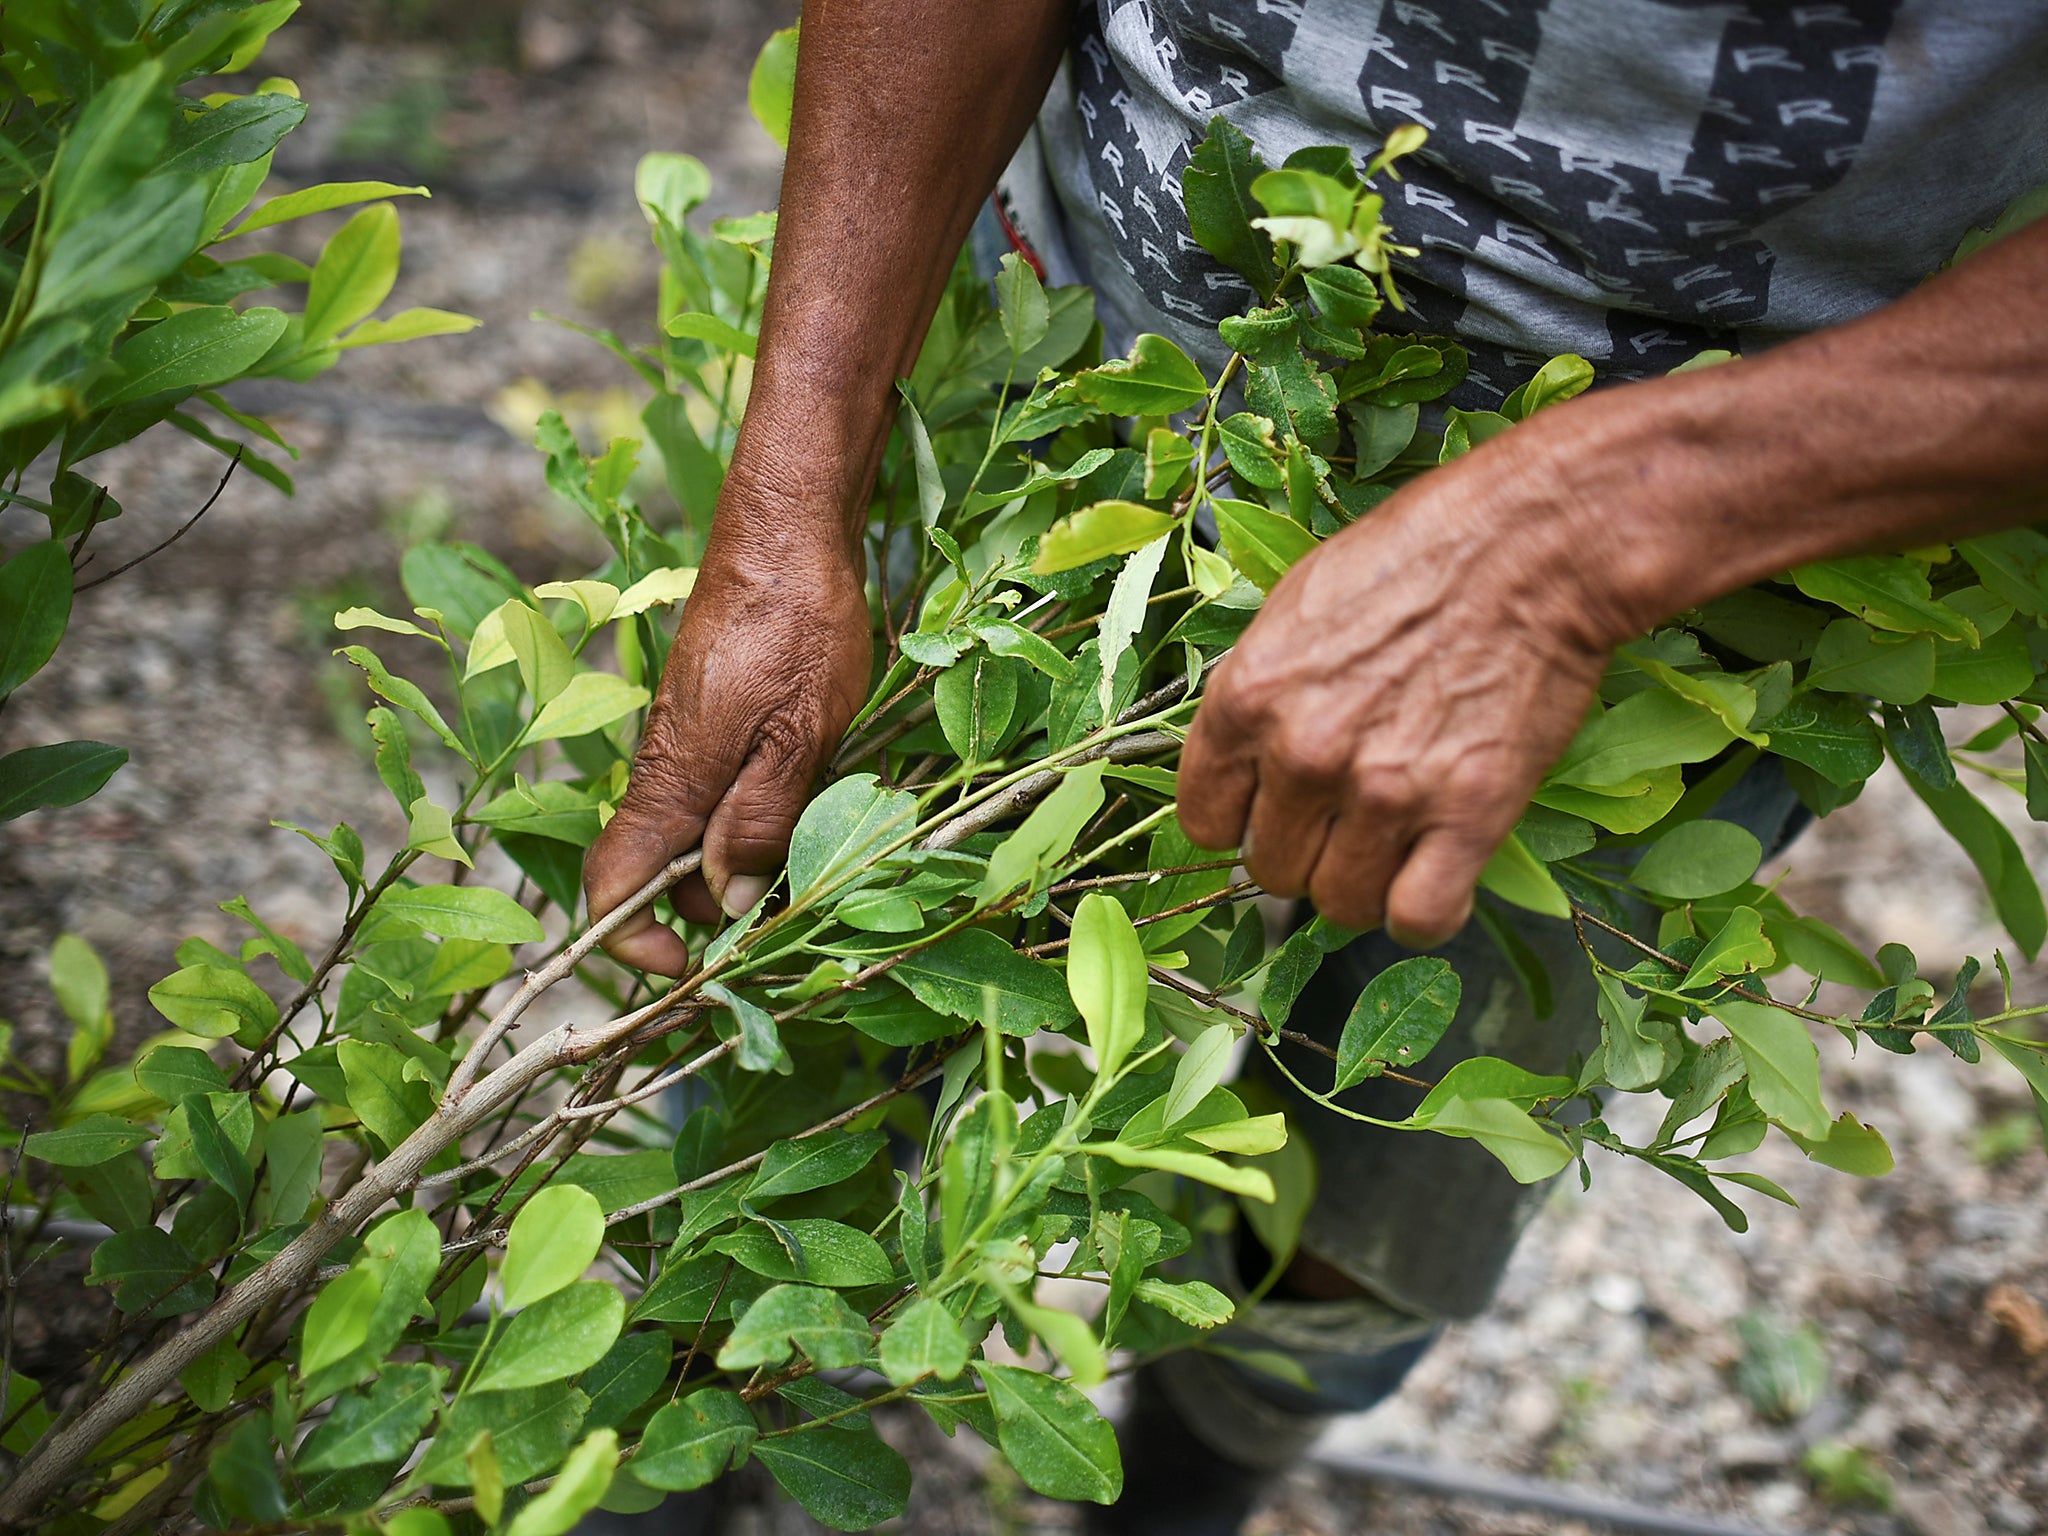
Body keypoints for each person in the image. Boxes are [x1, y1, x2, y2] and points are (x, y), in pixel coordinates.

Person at [581, 2, 2048, 1529]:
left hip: (1720, 576)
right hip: (1081, 363)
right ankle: (689, 1425)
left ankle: (1186, 1494)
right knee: (811, 1005)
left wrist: (1589, 537)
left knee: (1386, 1198)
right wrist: (788, 498)